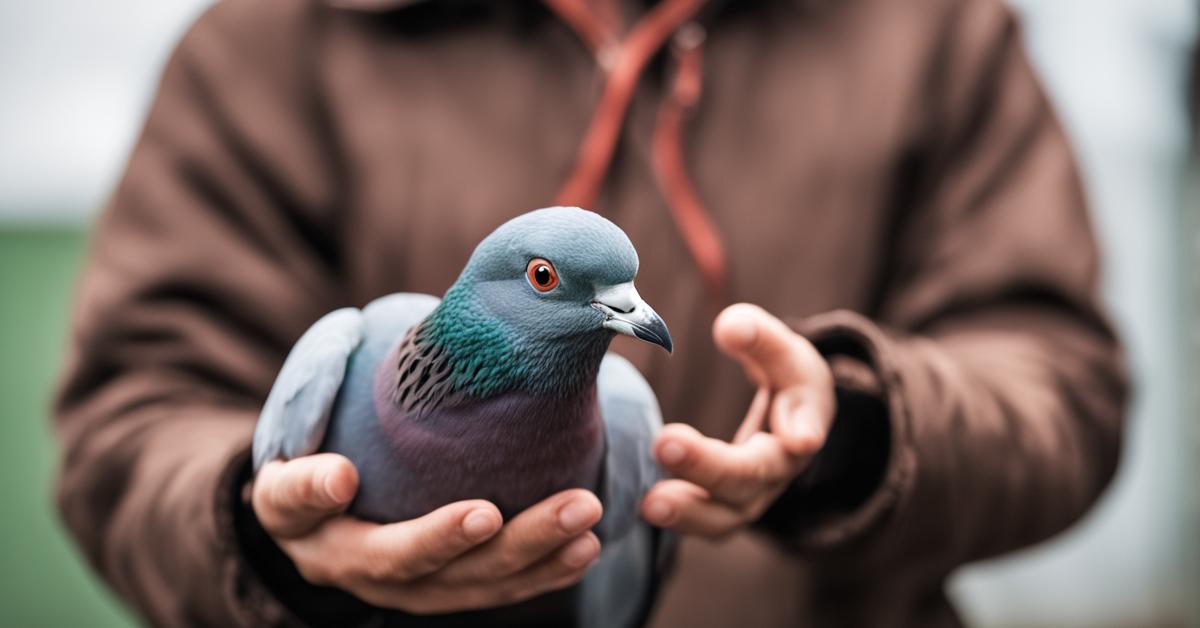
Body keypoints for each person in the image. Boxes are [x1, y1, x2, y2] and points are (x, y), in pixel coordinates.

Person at [52, 0, 1128, 626]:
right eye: (553, 288)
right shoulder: (277, 37)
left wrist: (852, 435)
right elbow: (129, 418)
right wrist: (271, 536)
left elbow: (1062, 383)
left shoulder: (933, 28)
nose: (627, 317)